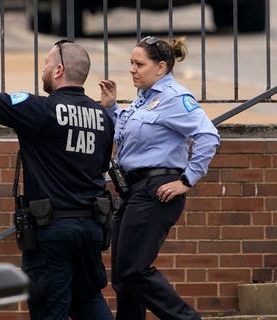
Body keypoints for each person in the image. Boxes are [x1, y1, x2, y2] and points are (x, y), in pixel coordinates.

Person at [0, 33, 115, 320]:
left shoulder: (41, 109)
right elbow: (101, 167)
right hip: (91, 230)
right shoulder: (102, 117)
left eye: (47, 63)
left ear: (59, 71)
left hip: (53, 233)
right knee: (88, 299)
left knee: (50, 309)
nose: (43, 69)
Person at [98, 36, 220, 320]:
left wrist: (187, 179)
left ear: (161, 67)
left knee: (133, 272)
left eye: (139, 64)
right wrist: (113, 109)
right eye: (131, 63)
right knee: (123, 279)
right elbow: (131, 136)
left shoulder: (175, 97)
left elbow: (208, 136)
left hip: (156, 191)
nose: (132, 69)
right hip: (132, 190)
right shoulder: (144, 99)